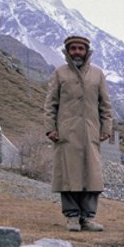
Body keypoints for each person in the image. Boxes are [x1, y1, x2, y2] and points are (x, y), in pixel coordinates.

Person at [44, 35, 113, 232]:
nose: (76, 52)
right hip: (66, 134)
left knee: (92, 176)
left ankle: (88, 218)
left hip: (91, 133)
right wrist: (51, 128)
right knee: (68, 176)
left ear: (86, 51)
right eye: (72, 48)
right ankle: (72, 217)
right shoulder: (60, 73)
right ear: (67, 51)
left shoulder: (97, 74)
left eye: (80, 49)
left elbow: (105, 105)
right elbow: (50, 104)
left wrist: (106, 128)